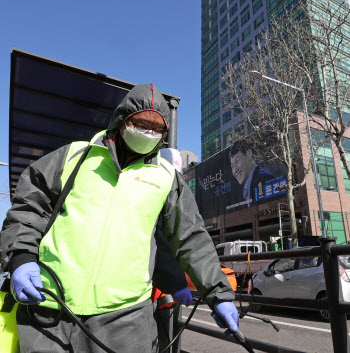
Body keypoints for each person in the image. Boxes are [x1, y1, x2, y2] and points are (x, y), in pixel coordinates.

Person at [1, 83, 238, 353]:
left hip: (125, 320)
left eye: (156, 128)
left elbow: (191, 237)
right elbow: (29, 206)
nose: (148, 133)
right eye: (141, 123)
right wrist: (21, 257)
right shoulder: (75, 156)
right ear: (122, 120)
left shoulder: (167, 177)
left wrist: (219, 294)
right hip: (50, 308)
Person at [229, 140, 274, 207]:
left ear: (249, 154)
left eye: (237, 161)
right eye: (232, 166)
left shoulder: (263, 178)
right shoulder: (248, 188)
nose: (235, 170)